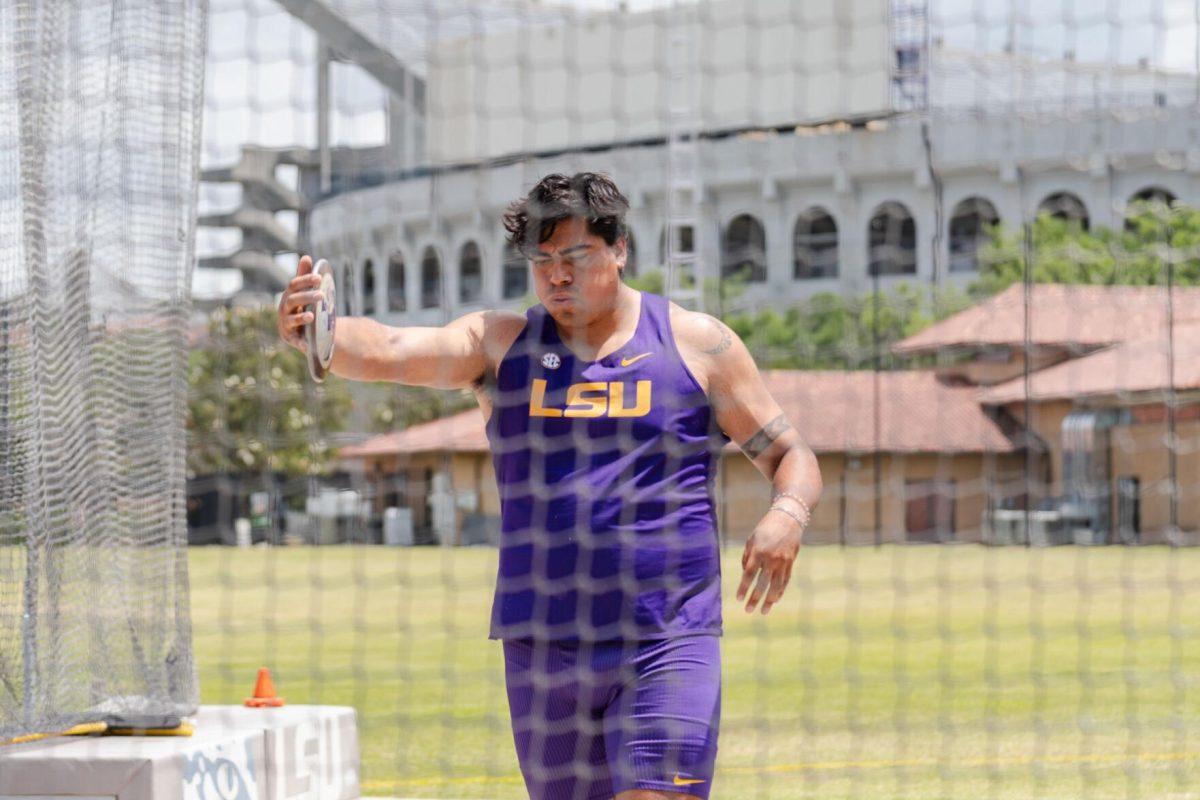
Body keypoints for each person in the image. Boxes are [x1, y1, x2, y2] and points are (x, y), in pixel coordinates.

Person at [277, 172, 823, 800]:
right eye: (541, 261)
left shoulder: (698, 344)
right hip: (543, 648)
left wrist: (787, 513)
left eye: (574, 257)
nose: (556, 276)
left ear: (618, 248)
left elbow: (790, 453)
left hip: (666, 638)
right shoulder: (500, 346)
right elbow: (393, 346)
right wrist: (320, 331)